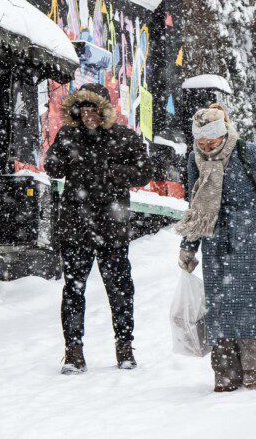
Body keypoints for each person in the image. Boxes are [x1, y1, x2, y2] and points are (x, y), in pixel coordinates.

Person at [176, 104, 256, 392]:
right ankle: (224, 372)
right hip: (214, 243)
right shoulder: (194, 160)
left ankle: (252, 369)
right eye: (201, 141)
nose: (206, 145)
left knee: (249, 308)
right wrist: (188, 246)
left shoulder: (245, 152)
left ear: (223, 134)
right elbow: (196, 207)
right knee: (220, 310)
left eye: (211, 140)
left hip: (249, 241)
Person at [45, 84, 152, 374]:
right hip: (76, 226)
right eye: (83, 109)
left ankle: (124, 346)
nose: (88, 115)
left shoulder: (123, 137)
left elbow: (145, 171)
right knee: (73, 290)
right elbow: (52, 167)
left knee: (120, 289)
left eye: (93, 109)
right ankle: (73, 351)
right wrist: (65, 151)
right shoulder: (68, 135)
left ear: (104, 110)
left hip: (112, 227)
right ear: (76, 112)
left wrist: (114, 172)